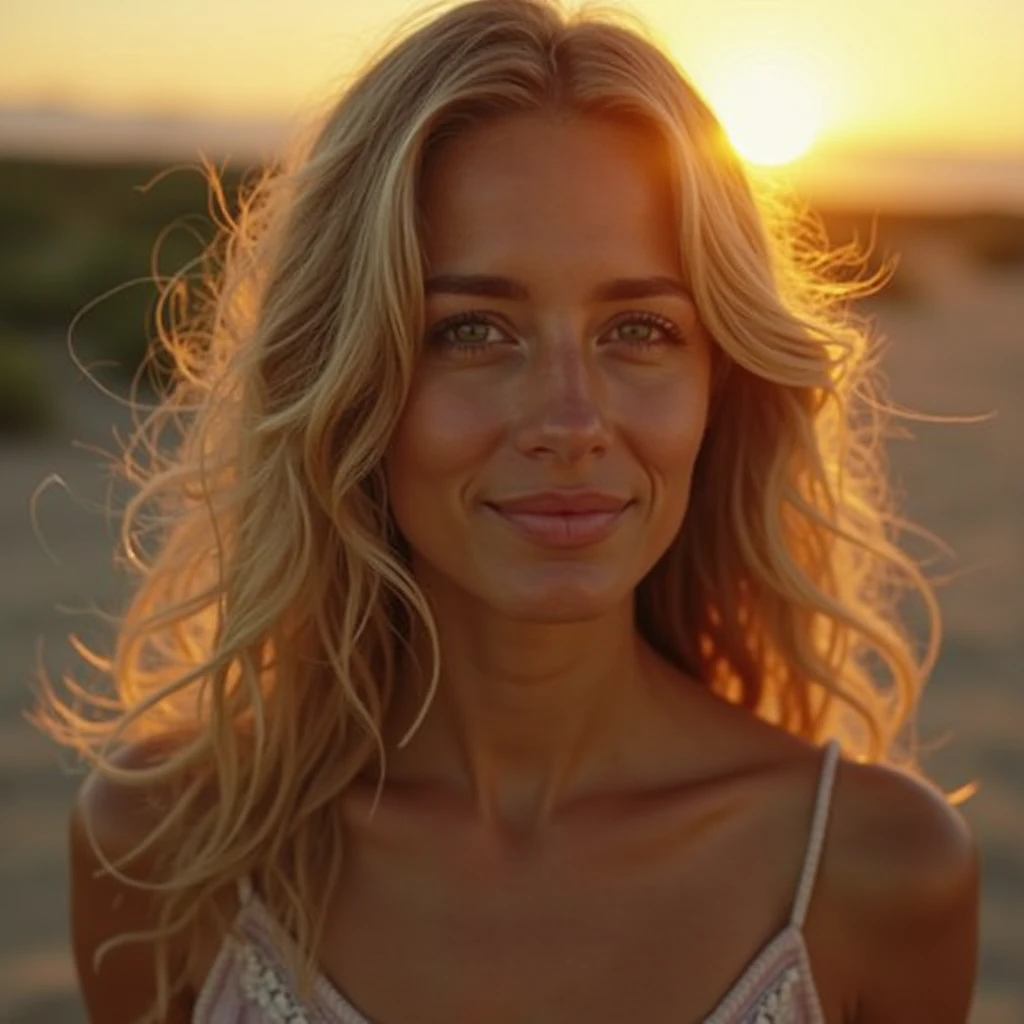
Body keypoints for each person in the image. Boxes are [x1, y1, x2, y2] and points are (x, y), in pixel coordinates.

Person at [37, 0, 979, 1021]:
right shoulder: (169, 843)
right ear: (349, 376)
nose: (570, 420)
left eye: (640, 327)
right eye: (474, 329)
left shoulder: (873, 868)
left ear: (722, 379)